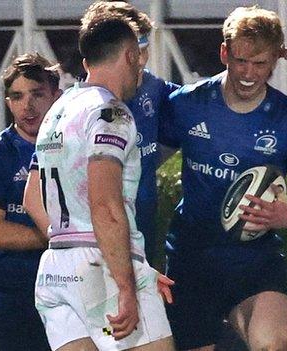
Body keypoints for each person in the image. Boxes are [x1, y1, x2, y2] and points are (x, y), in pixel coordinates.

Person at [158, 5, 287, 351]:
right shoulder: (187, 104)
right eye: (240, 61)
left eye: (260, 64)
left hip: (256, 264)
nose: (249, 73)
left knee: (273, 344)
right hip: (191, 263)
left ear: (277, 59)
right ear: (224, 53)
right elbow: (142, 169)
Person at [24, 8, 174, 351]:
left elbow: (33, 196)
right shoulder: (111, 113)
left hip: (55, 268)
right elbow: (105, 205)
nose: (142, 68)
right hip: (101, 266)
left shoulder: (57, 112)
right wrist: (125, 281)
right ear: (131, 55)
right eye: (140, 58)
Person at [0, 52, 61, 351]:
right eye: (17, 97)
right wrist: (61, 238)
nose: (27, 105)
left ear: (57, 97)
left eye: (37, 94)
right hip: (5, 299)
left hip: (64, 295)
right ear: (8, 103)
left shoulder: (75, 148)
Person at [82, 0, 180, 265]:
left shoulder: (154, 88)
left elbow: (193, 112)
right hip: (95, 241)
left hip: (143, 230)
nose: (141, 60)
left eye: (145, 50)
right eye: (136, 51)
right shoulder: (82, 105)